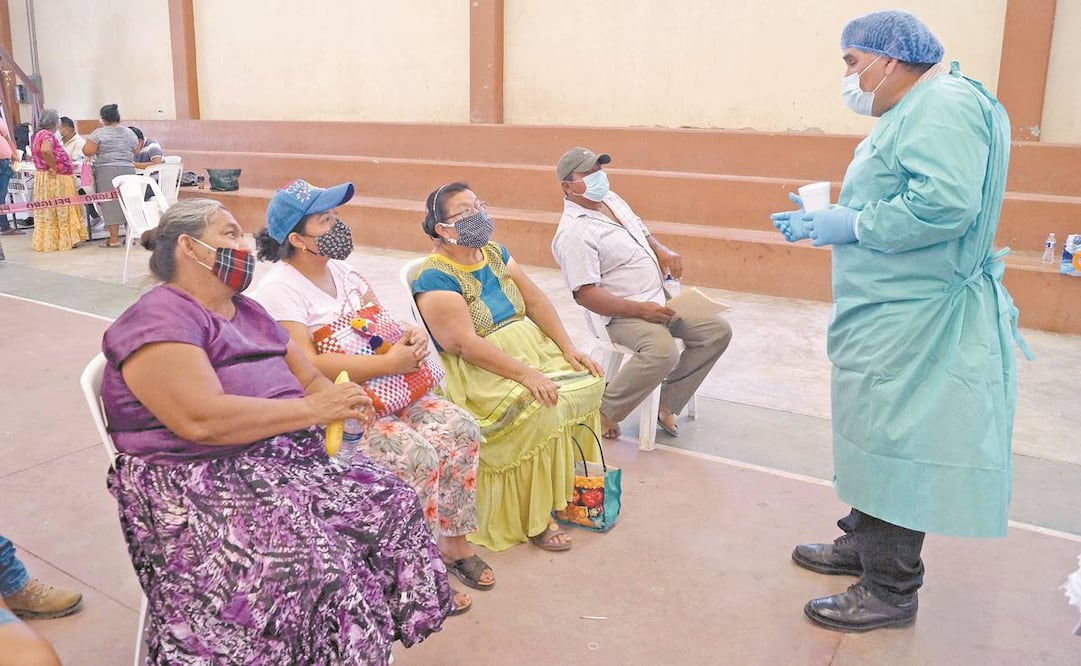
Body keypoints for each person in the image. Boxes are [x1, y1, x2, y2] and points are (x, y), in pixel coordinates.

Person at [102, 198, 451, 662]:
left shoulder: (247, 310)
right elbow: (201, 420)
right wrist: (312, 411)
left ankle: (354, 643)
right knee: (319, 568)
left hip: (279, 455)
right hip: (198, 479)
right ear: (190, 247)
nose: (244, 245)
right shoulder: (161, 319)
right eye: (228, 234)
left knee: (392, 503)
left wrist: (340, 404)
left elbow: (307, 376)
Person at [770, 10, 1028, 632]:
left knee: (897, 442)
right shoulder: (917, 106)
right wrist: (838, 214)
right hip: (887, 307)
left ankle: (890, 588)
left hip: (917, 314)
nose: (850, 78)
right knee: (873, 433)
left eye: (853, 63)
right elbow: (904, 187)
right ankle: (861, 542)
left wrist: (852, 223)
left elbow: (943, 204)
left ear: (889, 58)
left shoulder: (941, 105)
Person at [250, 179, 490, 614]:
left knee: (459, 428)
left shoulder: (343, 271)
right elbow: (305, 363)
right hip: (342, 410)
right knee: (414, 454)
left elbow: (378, 324)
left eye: (336, 216)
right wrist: (387, 365)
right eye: (325, 220)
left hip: (392, 389)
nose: (338, 224)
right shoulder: (279, 290)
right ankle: (411, 574)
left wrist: (409, 338)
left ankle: (452, 547)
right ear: (297, 239)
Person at [410, 182, 606, 552]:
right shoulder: (434, 277)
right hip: (482, 367)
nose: (478, 215)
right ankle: (536, 517)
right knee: (541, 404)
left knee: (587, 379)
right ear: (441, 228)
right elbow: (463, 344)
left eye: (479, 205)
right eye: (465, 212)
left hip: (530, 347)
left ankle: (570, 489)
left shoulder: (494, 252)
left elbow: (535, 301)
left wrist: (568, 348)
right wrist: (526, 374)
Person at [552, 147, 733, 441]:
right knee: (662, 352)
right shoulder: (574, 233)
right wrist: (640, 310)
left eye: (600, 170)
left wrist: (660, 249)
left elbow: (640, 228)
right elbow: (585, 295)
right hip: (622, 316)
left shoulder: (609, 199)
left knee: (716, 331)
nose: (600, 178)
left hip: (659, 301)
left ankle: (667, 403)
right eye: (589, 174)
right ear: (568, 186)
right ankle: (604, 412)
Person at [29, 109, 86, 252]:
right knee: (62, 207)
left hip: (46, 177)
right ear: (55, 122)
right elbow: (46, 150)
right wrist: (54, 167)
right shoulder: (47, 135)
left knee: (51, 209)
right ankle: (66, 239)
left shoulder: (38, 135)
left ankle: (53, 240)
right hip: (56, 178)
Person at [83, 104, 137, 248]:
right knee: (128, 202)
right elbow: (136, 149)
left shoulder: (99, 133)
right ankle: (130, 236)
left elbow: (88, 151)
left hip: (107, 171)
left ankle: (113, 239)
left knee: (110, 203)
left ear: (103, 118)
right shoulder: (129, 132)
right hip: (128, 170)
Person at [0, 120, 20, 237]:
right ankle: (5, 227)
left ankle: (4, 225)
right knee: (1, 195)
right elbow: (7, 137)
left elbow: (7, 138)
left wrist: (13, 153)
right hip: (2, 162)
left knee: (2, 195)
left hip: (4, 161)